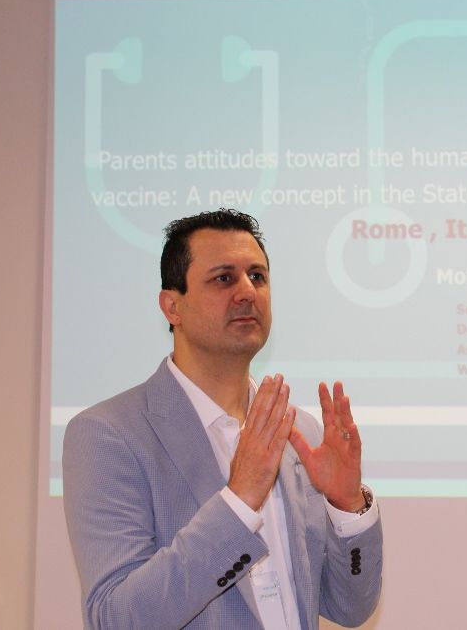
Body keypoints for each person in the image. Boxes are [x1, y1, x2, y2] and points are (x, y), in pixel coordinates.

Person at [63, 209, 382, 630]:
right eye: (223, 278)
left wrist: (347, 505)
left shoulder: (298, 433)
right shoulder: (109, 435)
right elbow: (116, 618)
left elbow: (349, 608)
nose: (247, 291)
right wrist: (239, 501)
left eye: (257, 276)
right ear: (172, 306)